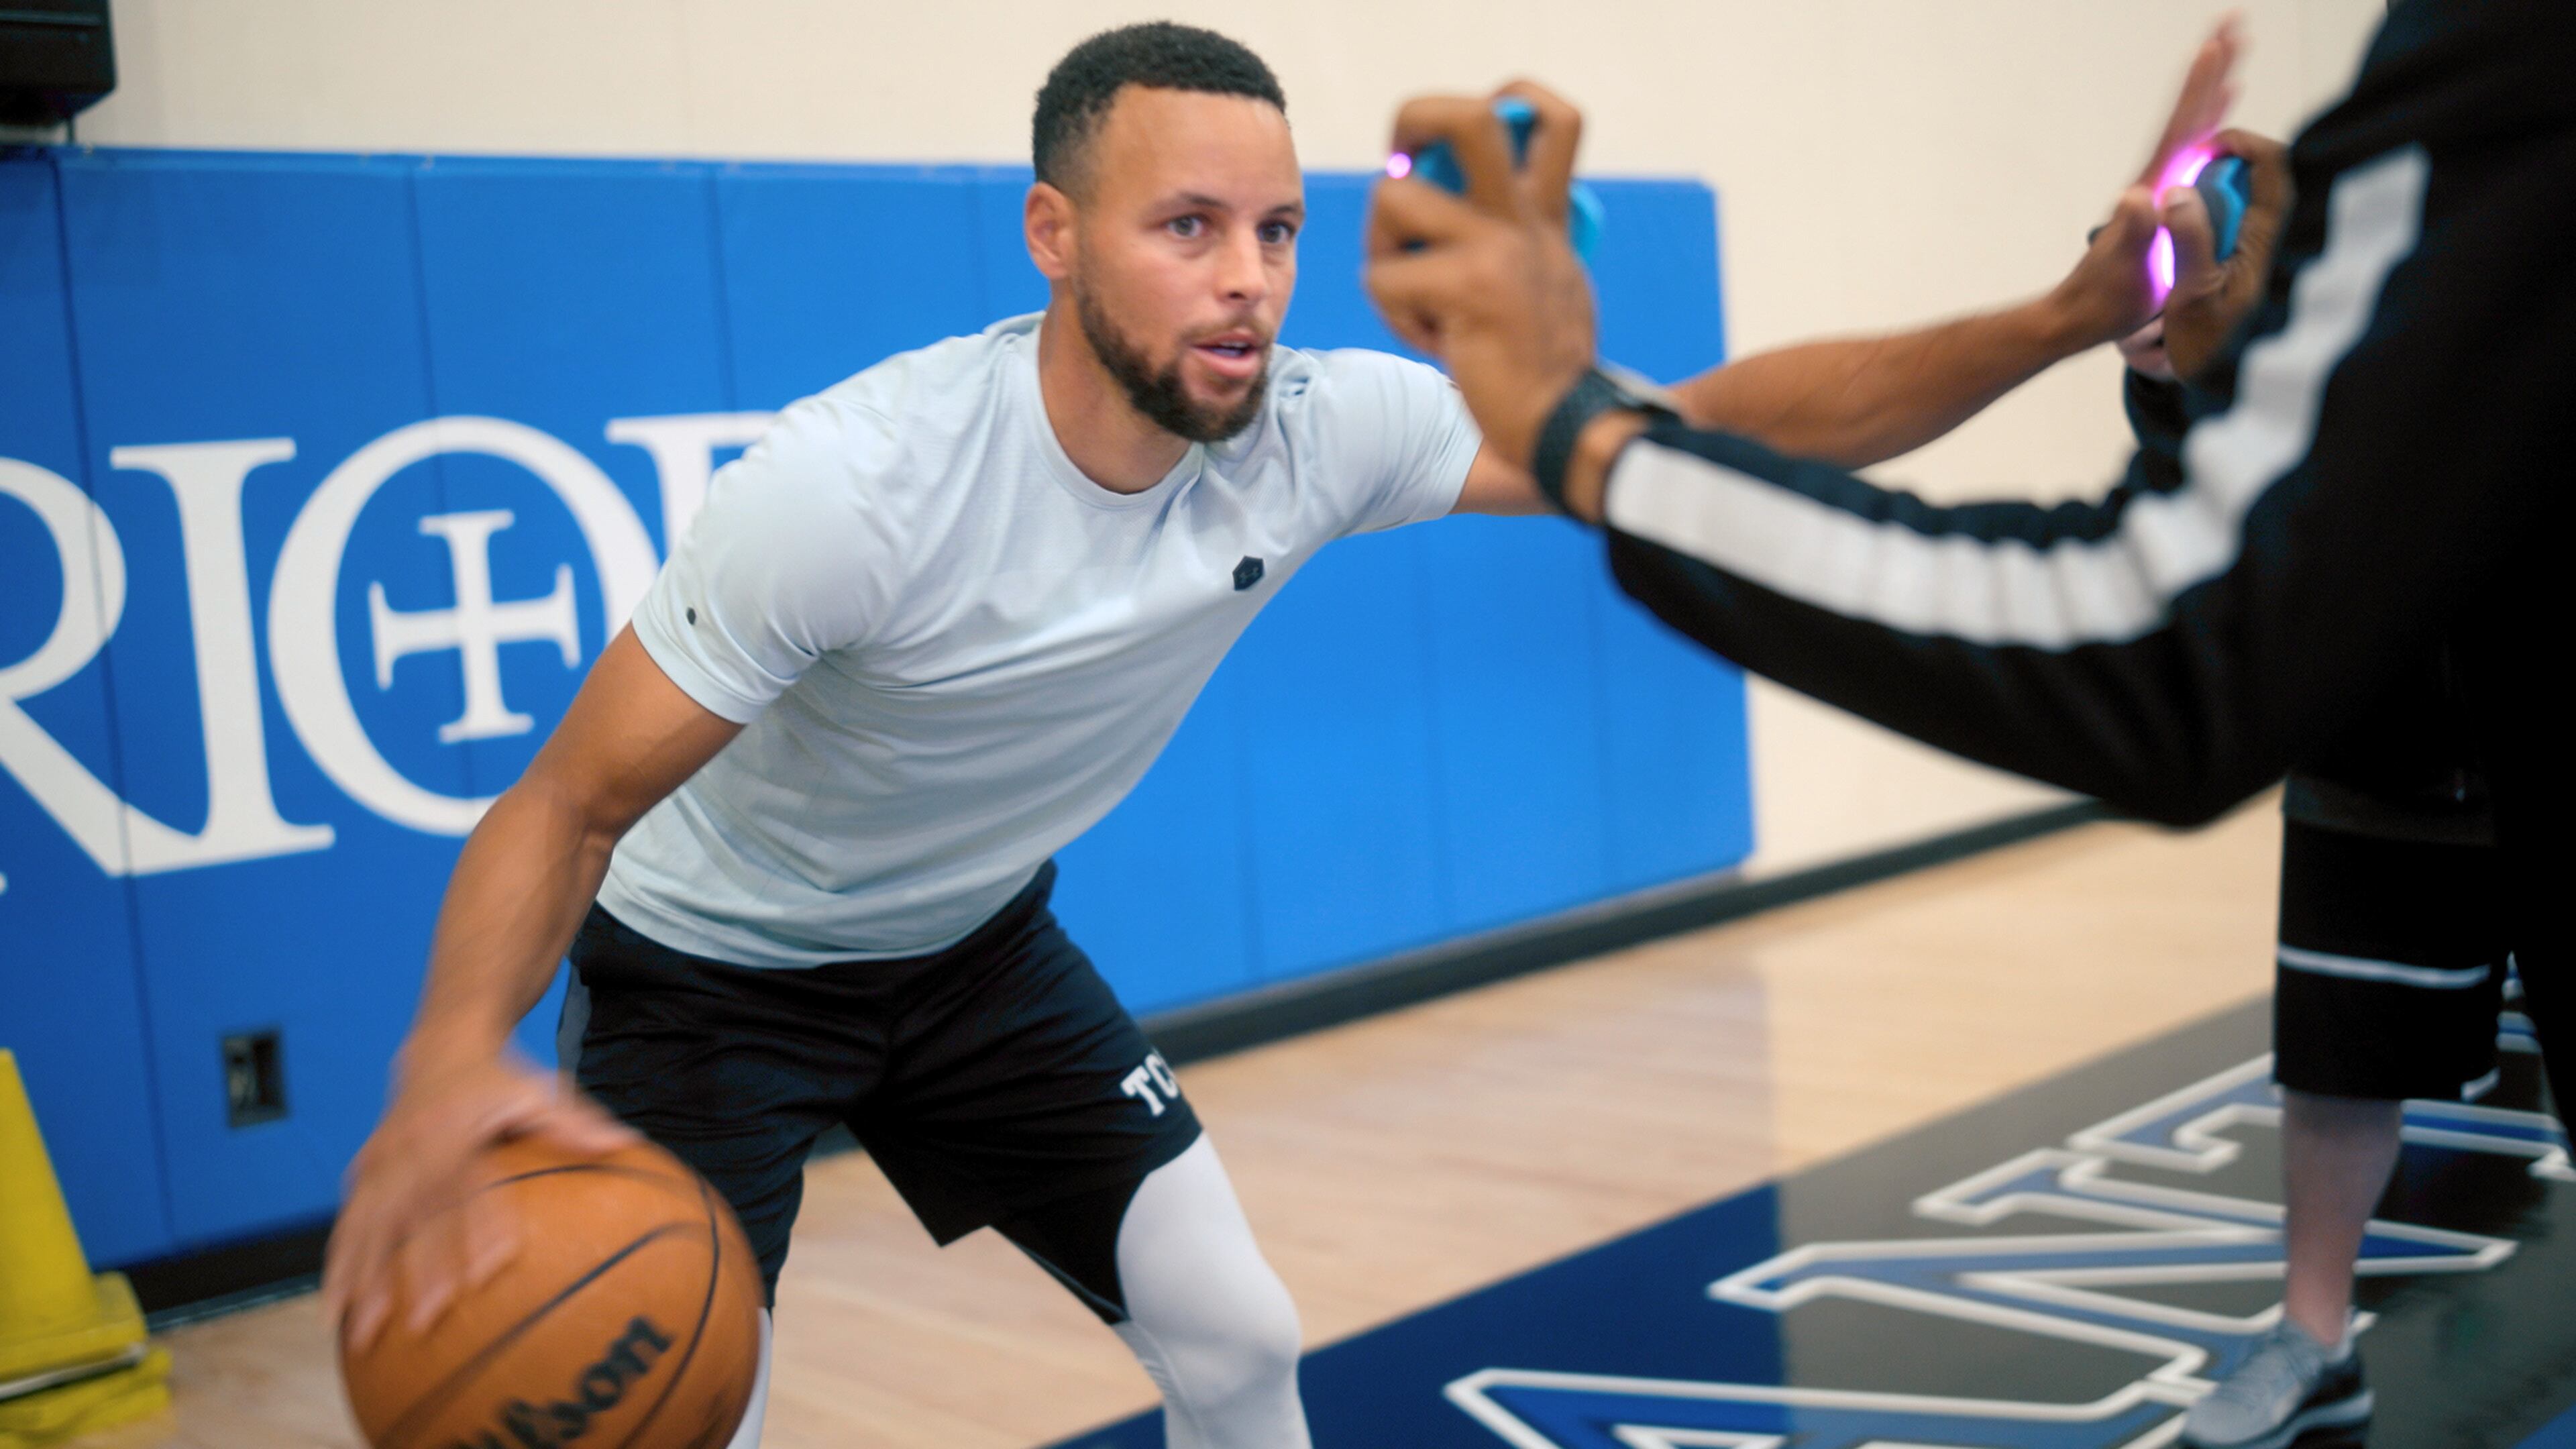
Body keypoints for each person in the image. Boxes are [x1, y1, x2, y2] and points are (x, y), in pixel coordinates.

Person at [319, 21, 2218, 1449]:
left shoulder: (1320, 428)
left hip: (972, 949)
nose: (1248, 275)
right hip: (713, 979)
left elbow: (1701, 433)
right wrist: (440, 1063)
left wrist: (2067, 317)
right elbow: (567, 804)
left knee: (1240, 1338)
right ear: (1054, 235)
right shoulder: (854, 490)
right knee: (659, 1417)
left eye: (1280, 229)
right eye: (1189, 226)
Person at [1361, 3, 2570, 1446]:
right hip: (2385, 760)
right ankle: (2313, 1334)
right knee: (2340, 1058)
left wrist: (1579, 422)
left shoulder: (2501, 48)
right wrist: (2105, 334)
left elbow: (2178, 637)